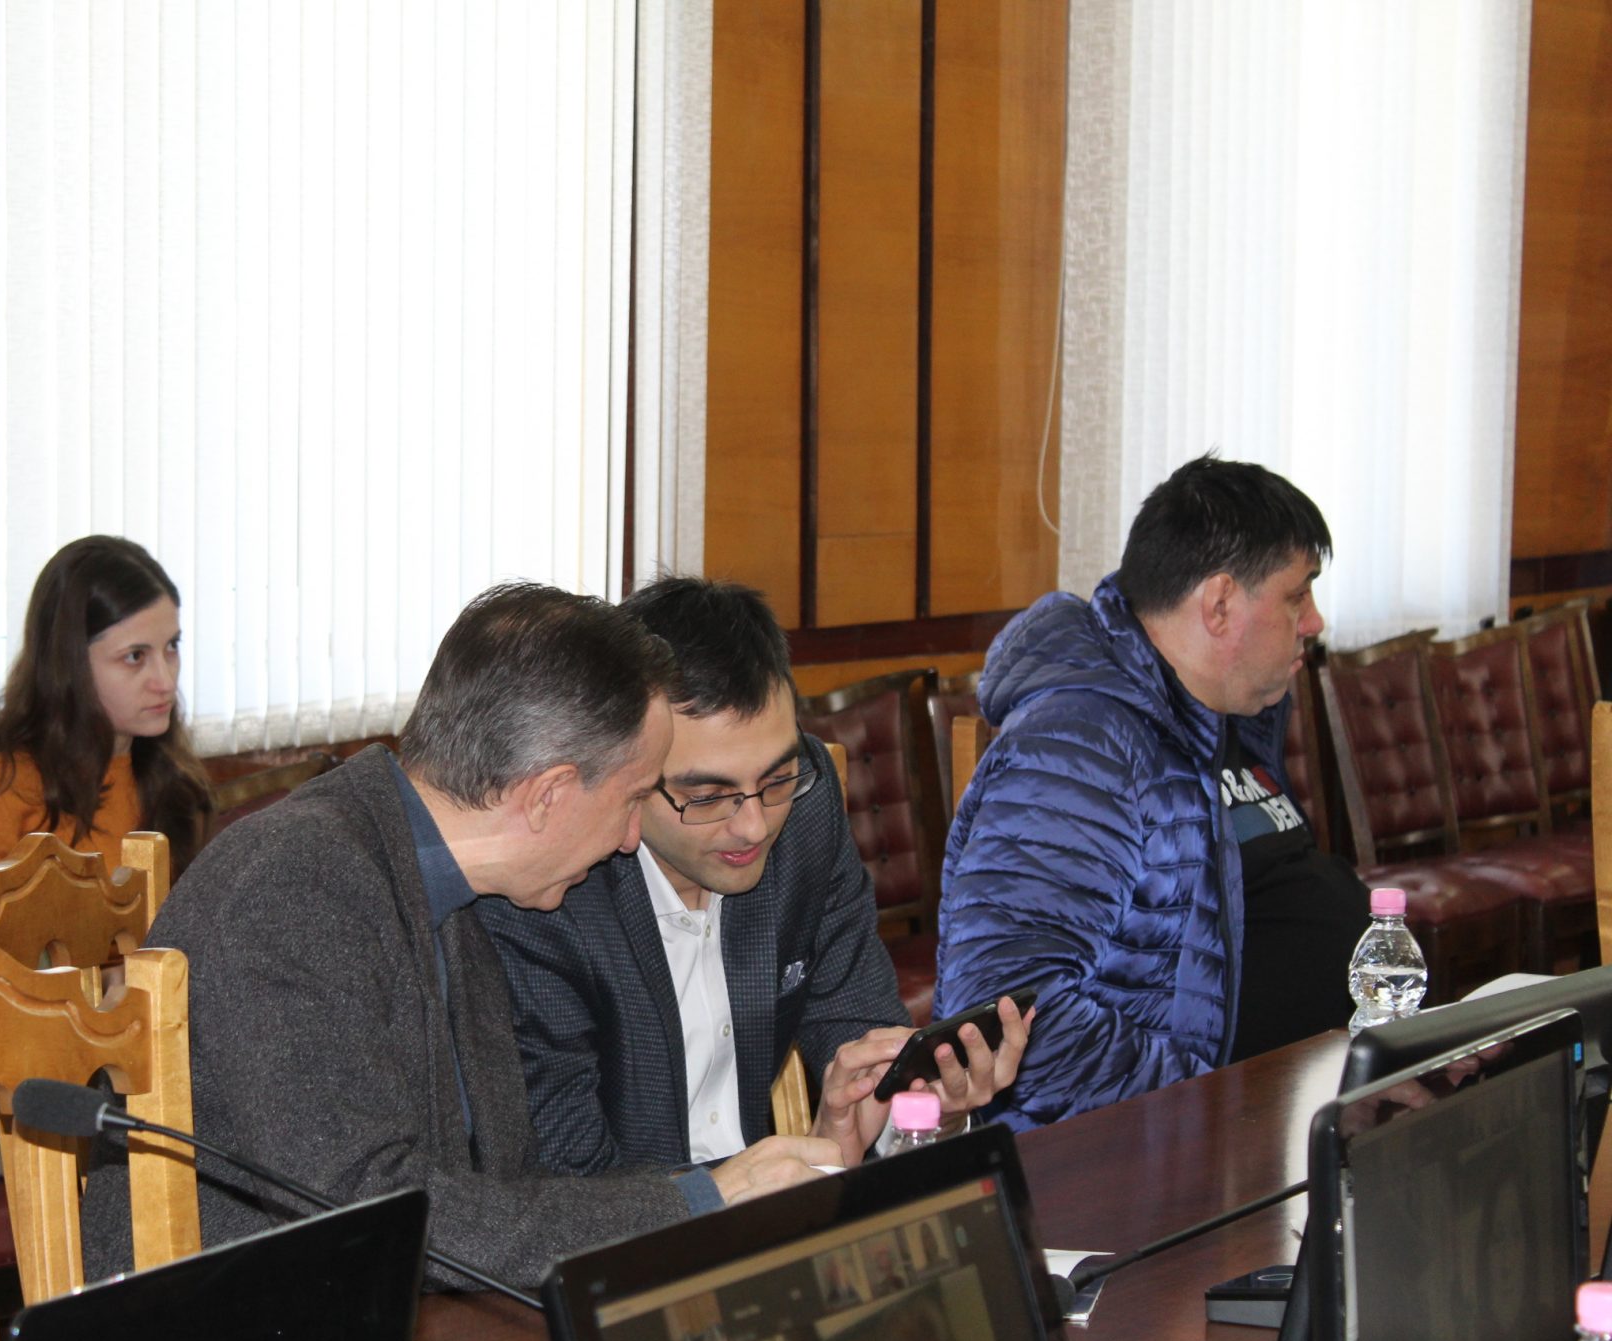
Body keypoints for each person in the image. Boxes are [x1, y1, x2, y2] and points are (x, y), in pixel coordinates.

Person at [81, 583, 841, 1290]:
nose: (629, 838)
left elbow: (504, 1184)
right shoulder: (295, 887)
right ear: (548, 794)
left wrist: (705, 1197)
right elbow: (370, 1214)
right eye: (633, 797)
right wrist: (700, 1199)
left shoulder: (449, 886)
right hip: (235, 1320)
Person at [480, 577, 1027, 1177]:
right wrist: (742, 1191)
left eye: (776, 778)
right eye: (707, 795)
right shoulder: (548, 888)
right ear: (629, 773)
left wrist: (919, 1113)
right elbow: (566, 1178)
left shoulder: (806, 812)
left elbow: (859, 1030)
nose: (753, 826)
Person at [936, 454, 1366, 1128]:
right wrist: (1217, 1104)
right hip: (1137, 1155)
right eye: (1297, 595)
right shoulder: (1078, 749)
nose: (1314, 621)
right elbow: (1008, 1019)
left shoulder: (1213, 714)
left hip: (1277, 1107)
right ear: (1219, 604)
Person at [0, 535, 213, 888]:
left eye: (172, 646)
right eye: (135, 656)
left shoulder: (175, 777)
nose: (165, 681)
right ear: (69, 664)